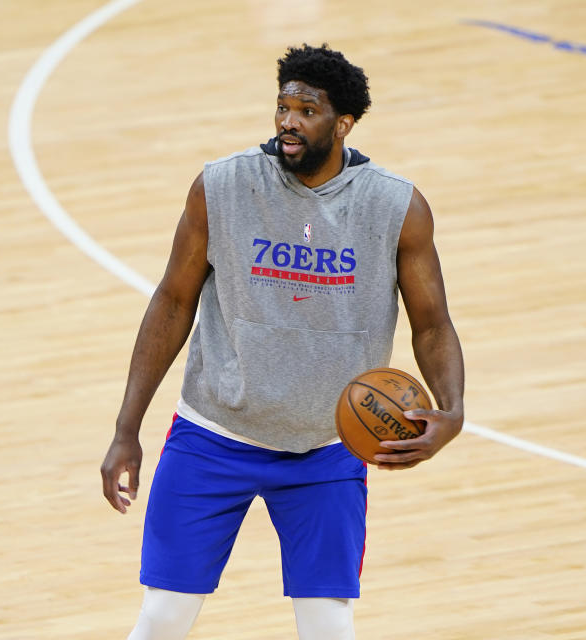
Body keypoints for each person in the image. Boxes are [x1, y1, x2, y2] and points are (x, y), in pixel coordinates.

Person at [100, 43, 464, 640]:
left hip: (326, 449)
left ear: (343, 124)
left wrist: (453, 411)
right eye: (283, 107)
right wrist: (125, 429)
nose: (289, 121)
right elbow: (171, 301)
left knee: (328, 625)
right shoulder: (220, 187)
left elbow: (433, 324)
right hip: (213, 436)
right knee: (163, 614)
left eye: (308, 110)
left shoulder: (395, 206)